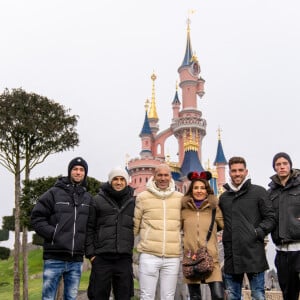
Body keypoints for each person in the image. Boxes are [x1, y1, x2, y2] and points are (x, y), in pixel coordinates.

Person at [31, 157, 92, 300]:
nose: (78, 172)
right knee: (48, 297)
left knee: (71, 297)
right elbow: (37, 217)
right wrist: (54, 234)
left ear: (85, 173)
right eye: (75, 169)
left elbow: (90, 226)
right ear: (70, 171)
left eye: (81, 170)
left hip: (76, 260)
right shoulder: (53, 193)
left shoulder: (88, 198)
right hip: (54, 257)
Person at [219, 156, 275, 300]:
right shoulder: (224, 198)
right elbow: (219, 221)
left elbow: (271, 218)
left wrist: (257, 232)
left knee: (258, 295)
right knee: (233, 296)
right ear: (229, 173)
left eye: (240, 170)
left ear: (246, 171)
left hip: (253, 253)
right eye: (234, 171)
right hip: (231, 255)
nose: (237, 174)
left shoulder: (258, 192)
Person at [85, 166, 135, 300]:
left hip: (123, 258)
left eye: (122, 179)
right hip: (102, 257)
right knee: (98, 295)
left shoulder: (133, 202)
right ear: (110, 181)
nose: (119, 182)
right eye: (115, 179)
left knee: (124, 296)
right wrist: (91, 255)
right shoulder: (97, 200)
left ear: (127, 181)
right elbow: (89, 228)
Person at [134, 163, 183, 300]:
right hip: (149, 254)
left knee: (168, 296)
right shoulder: (143, 197)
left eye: (166, 175)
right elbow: (135, 225)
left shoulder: (179, 198)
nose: (163, 178)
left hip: (172, 256)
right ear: (154, 177)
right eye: (159, 175)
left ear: (170, 176)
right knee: (147, 295)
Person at [181, 171, 224, 300]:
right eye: (196, 188)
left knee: (218, 295)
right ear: (191, 190)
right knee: (195, 297)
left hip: (211, 258)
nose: (199, 191)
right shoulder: (184, 210)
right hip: (191, 259)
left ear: (207, 190)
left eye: (202, 188)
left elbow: (224, 225)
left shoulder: (214, 209)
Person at [268, 152, 300, 300]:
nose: (281, 167)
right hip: (282, 253)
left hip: (299, 249)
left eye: (284, 163)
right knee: (288, 294)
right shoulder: (271, 193)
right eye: (278, 164)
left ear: (290, 165)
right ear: (274, 167)